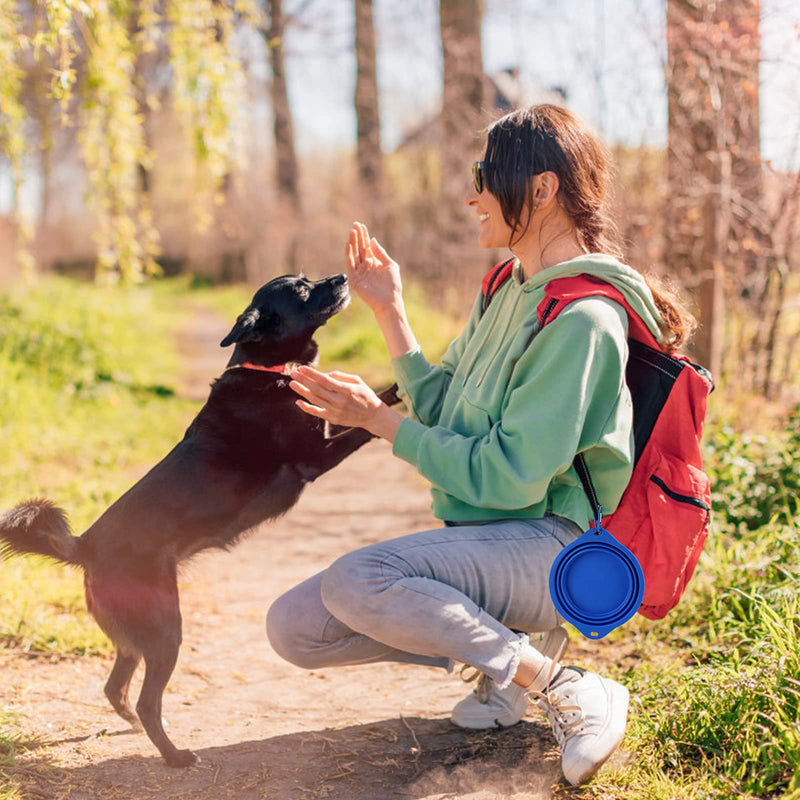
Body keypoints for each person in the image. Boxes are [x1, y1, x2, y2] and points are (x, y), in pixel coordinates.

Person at [267, 104, 693, 786]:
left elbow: (509, 478)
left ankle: (565, 686)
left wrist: (379, 421)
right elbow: (445, 409)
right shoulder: (508, 288)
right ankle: (514, 661)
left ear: (544, 187)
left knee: (359, 579)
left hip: (554, 548)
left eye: (485, 176)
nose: (473, 195)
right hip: (496, 541)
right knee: (296, 627)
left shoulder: (582, 319)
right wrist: (390, 311)